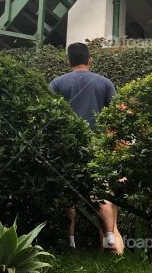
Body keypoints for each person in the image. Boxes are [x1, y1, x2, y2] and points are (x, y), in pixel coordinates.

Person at [49, 42, 123, 255]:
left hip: (67, 148)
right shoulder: (105, 83)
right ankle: (109, 240)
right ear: (90, 60)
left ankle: (70, 243)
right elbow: (117, 118)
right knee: (101, 194)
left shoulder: (57, 83)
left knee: (67, 198)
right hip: (98, 149)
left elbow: (48, 115)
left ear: (68, 61)